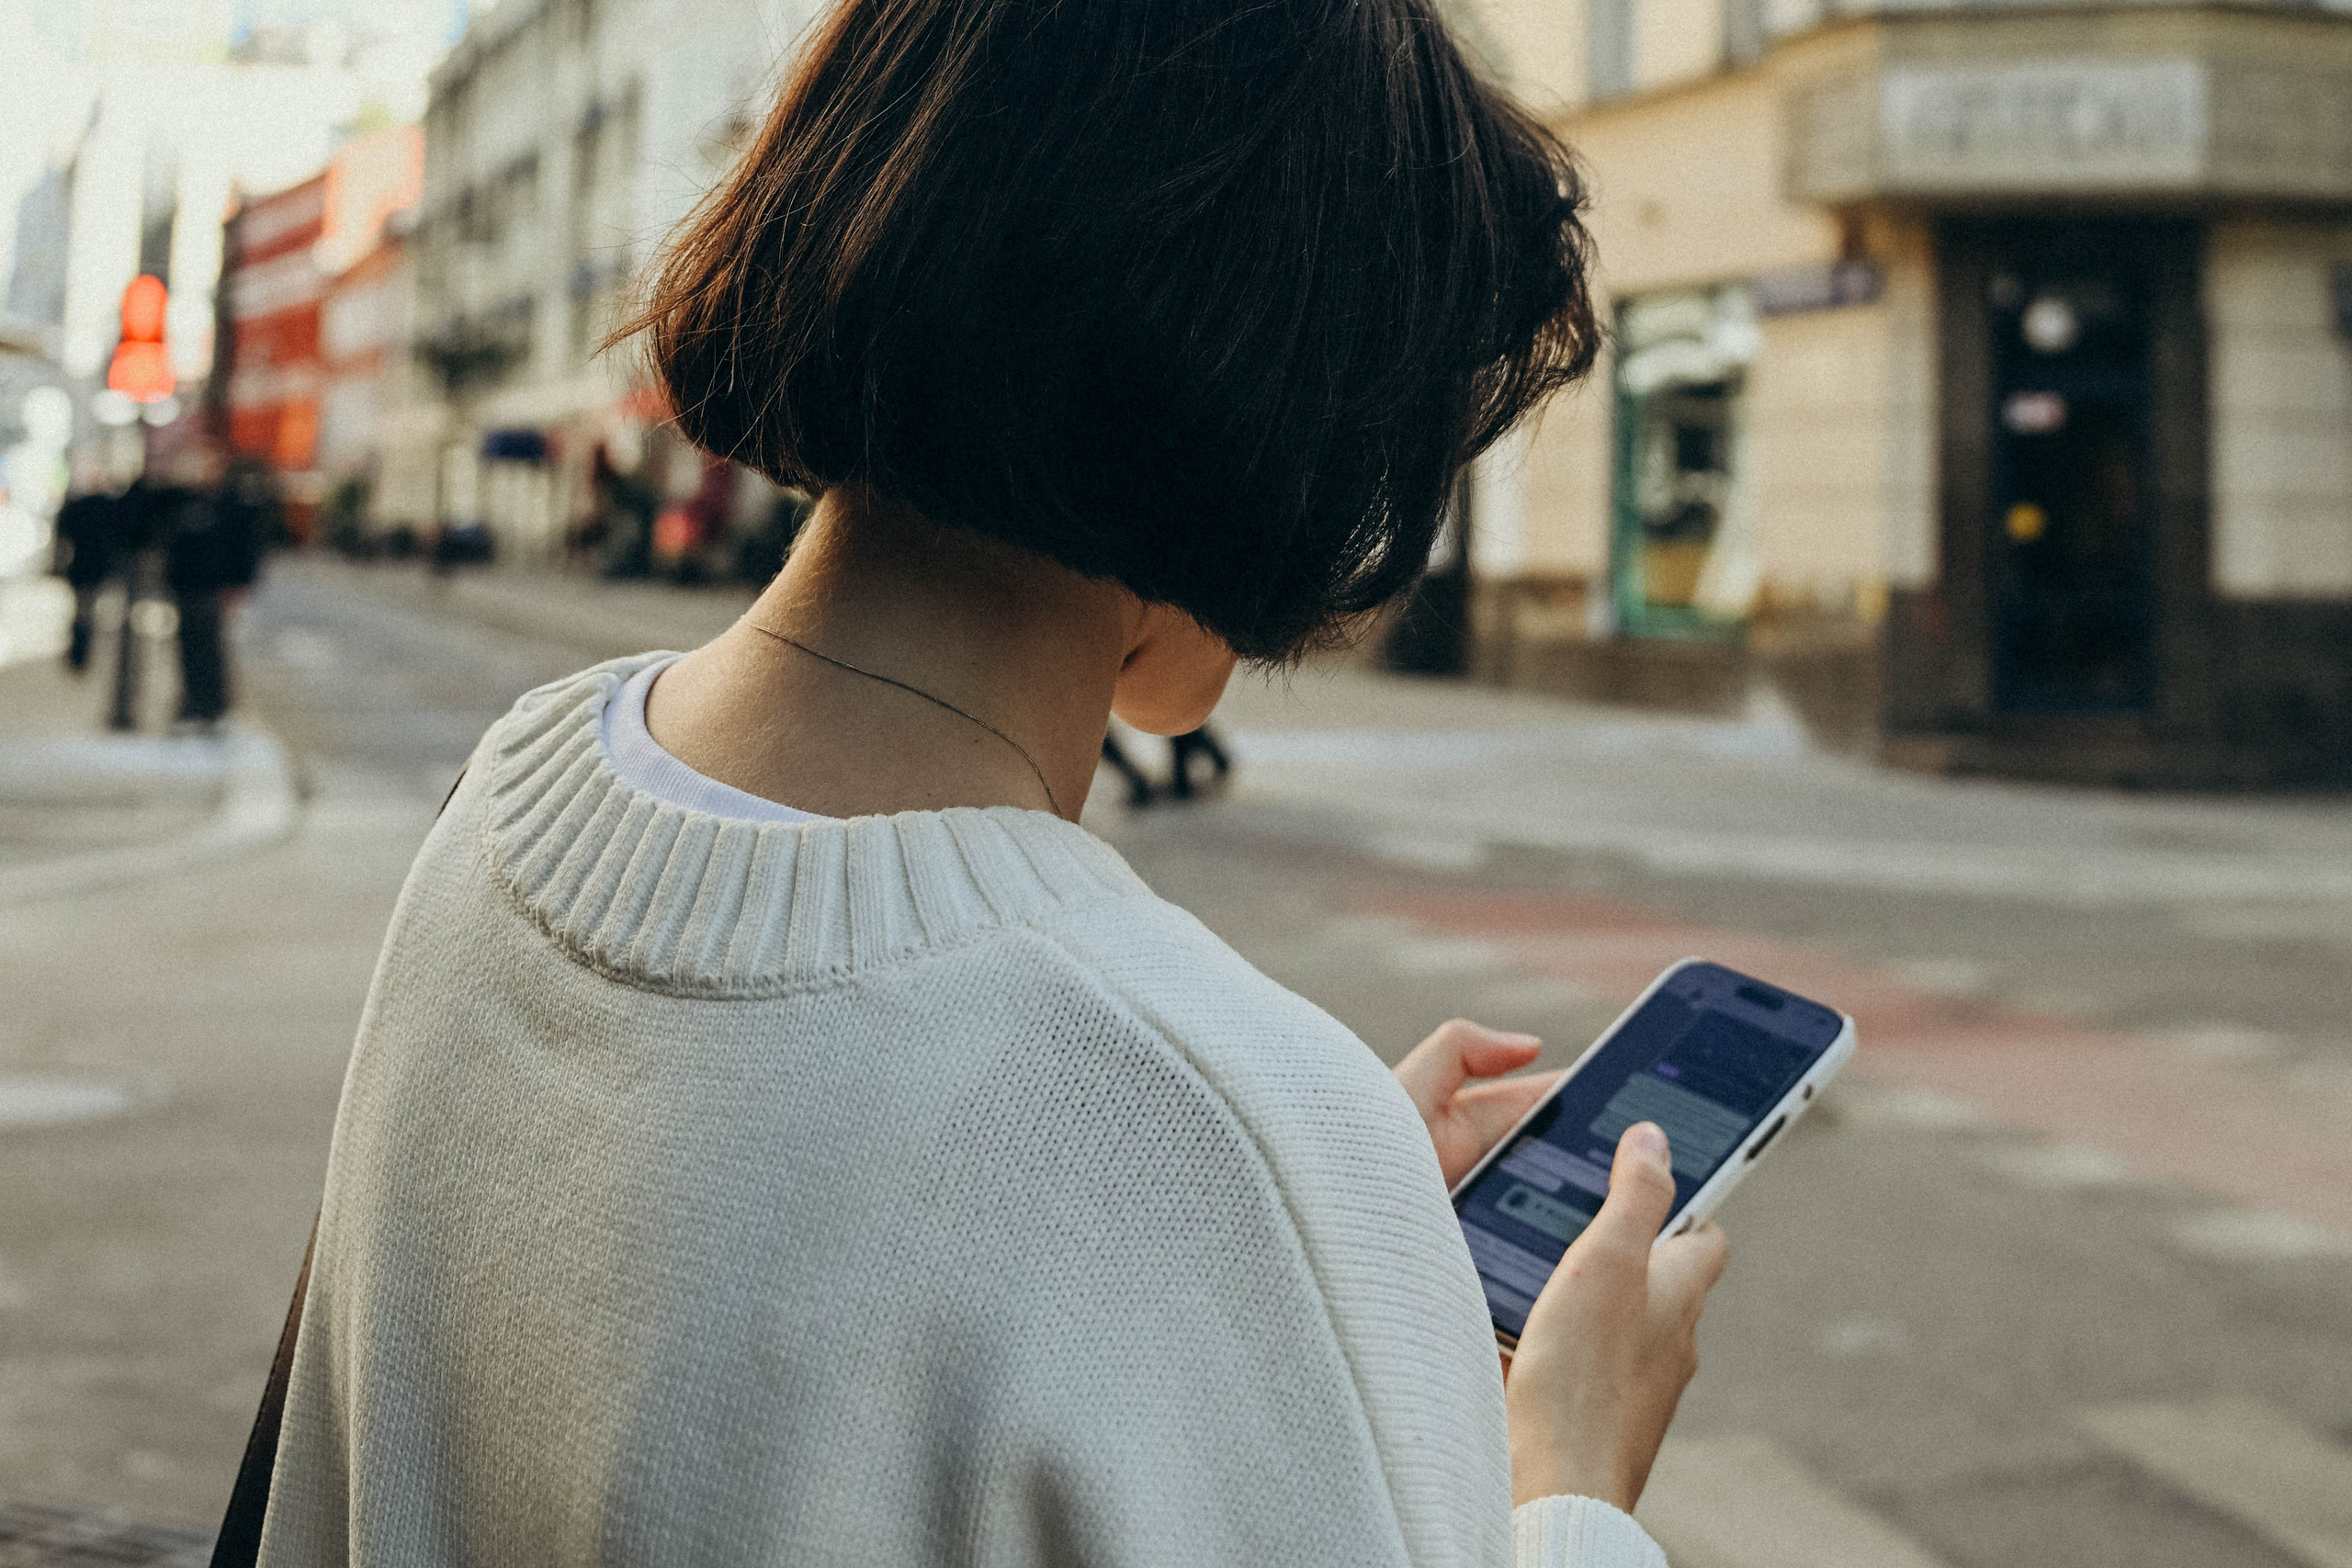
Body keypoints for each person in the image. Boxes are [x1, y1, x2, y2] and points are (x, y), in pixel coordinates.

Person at [243, 4, 1727, 1565]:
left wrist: (1321, 1219)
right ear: (1288, 429)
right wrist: (1569, 1473)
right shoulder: (1211, 1129)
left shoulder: (510, 800)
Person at [162, 447, 266, 729]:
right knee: (188, 648)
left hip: (215, 588)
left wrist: (239, 586)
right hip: (186, 587)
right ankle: (192, 704)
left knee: (211, 649)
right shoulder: (185, 501)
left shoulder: (233, 504)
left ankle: (214, 708)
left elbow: (246, 549)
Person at [51, 476, 125, 675]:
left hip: (83, 568)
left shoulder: (80, 508)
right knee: (86, 612)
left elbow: (63, 538)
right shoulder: (103, 509)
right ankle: (80, 653)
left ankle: (79, 653)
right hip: (93, 568)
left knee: (83, 612)